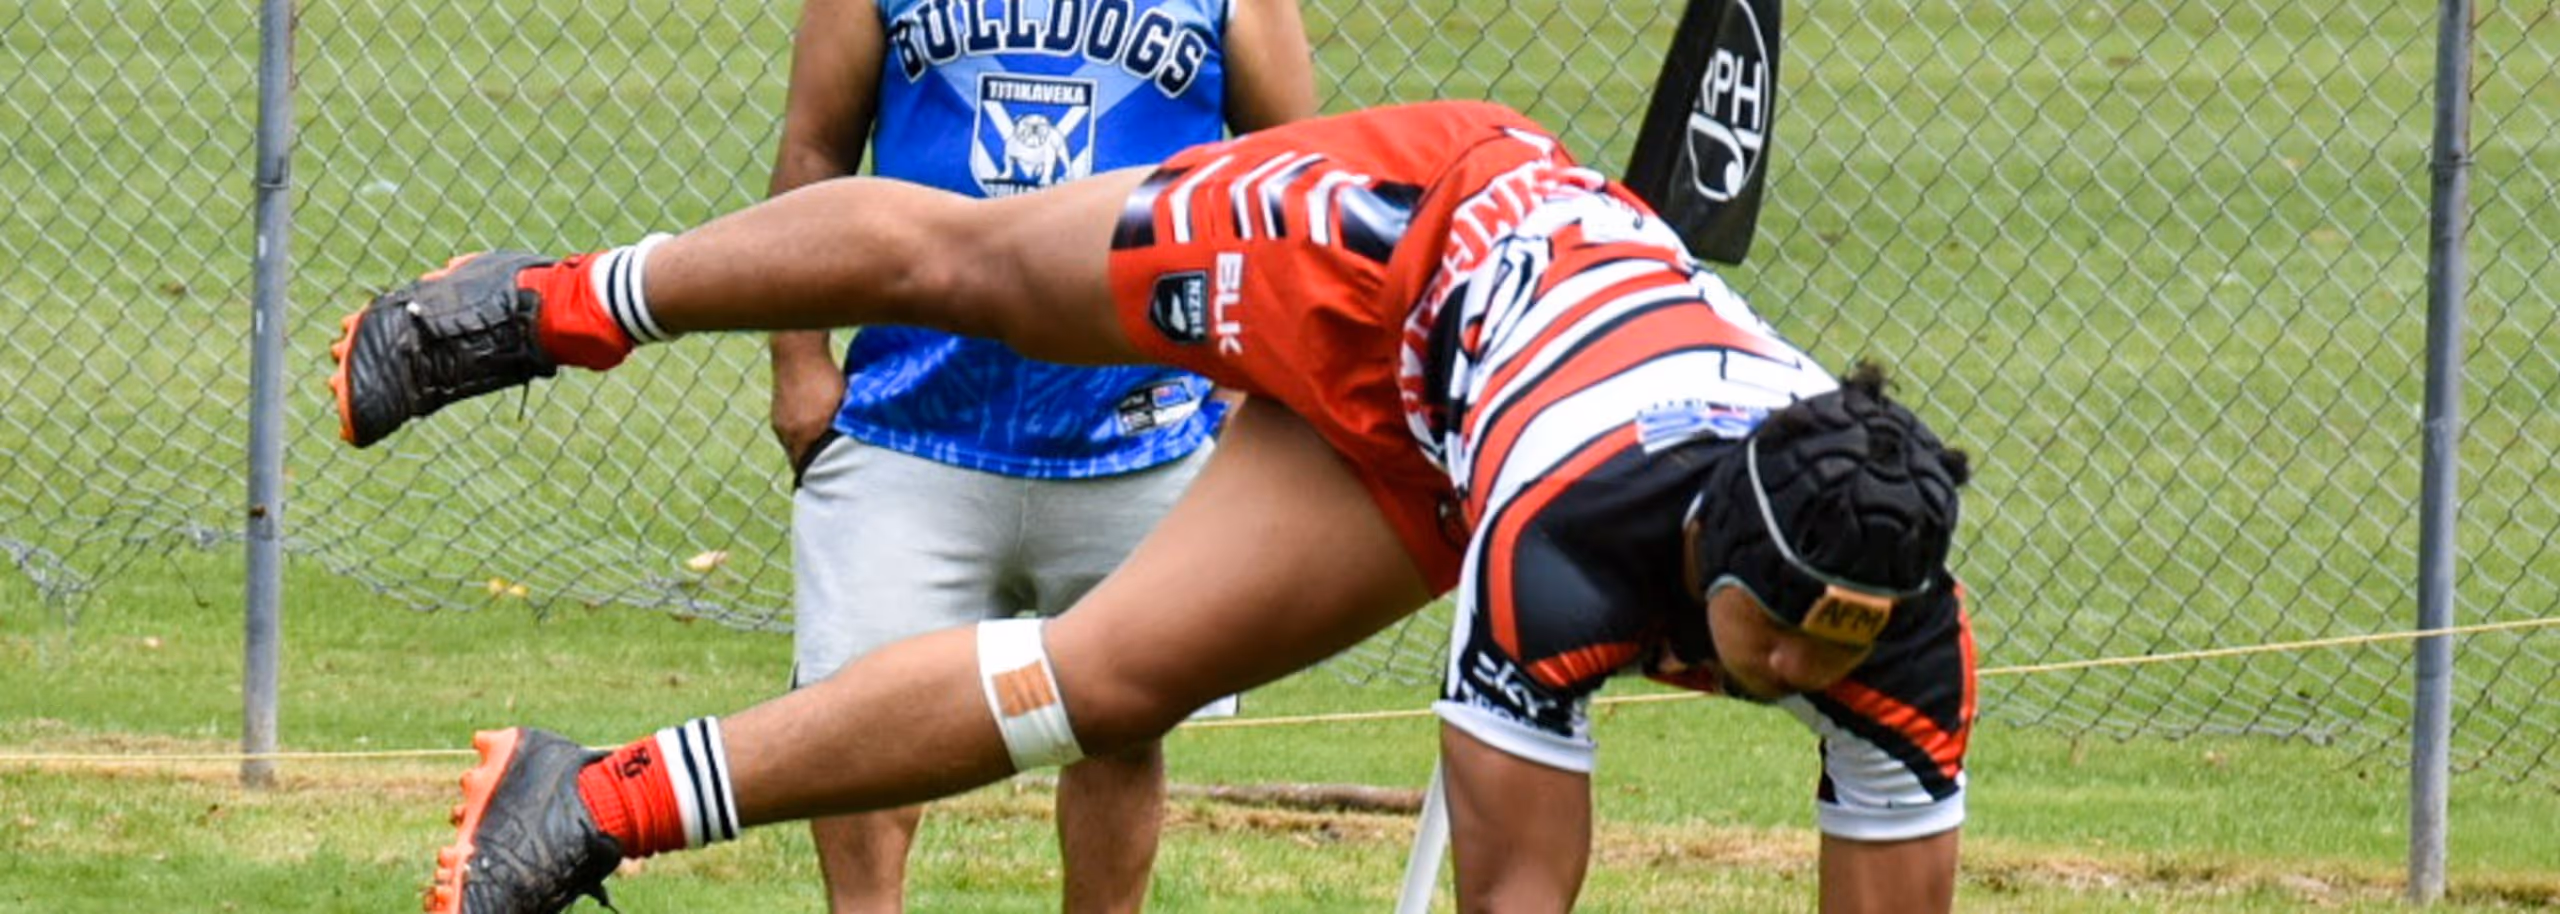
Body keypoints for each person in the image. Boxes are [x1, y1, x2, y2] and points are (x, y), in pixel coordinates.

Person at [333, 99, 1974, 914]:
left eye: (1839, 653)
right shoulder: (1561, 544)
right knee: (976, 269)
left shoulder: (1902, 630)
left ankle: (585, 800)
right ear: (1710, 546)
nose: (1803, 677)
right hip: (1401, 244)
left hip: (1462, 415)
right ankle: (545, 305)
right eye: (1780, 638)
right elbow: (1513, 890)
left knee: (1102, 686)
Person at [760, 0, 1312, 910]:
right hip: (910, 416)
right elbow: (816, 151)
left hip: (1141, 424)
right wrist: (798, 357)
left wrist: (1247, 381)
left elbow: (1290, 173)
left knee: (1120, 727)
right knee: (856, 726)